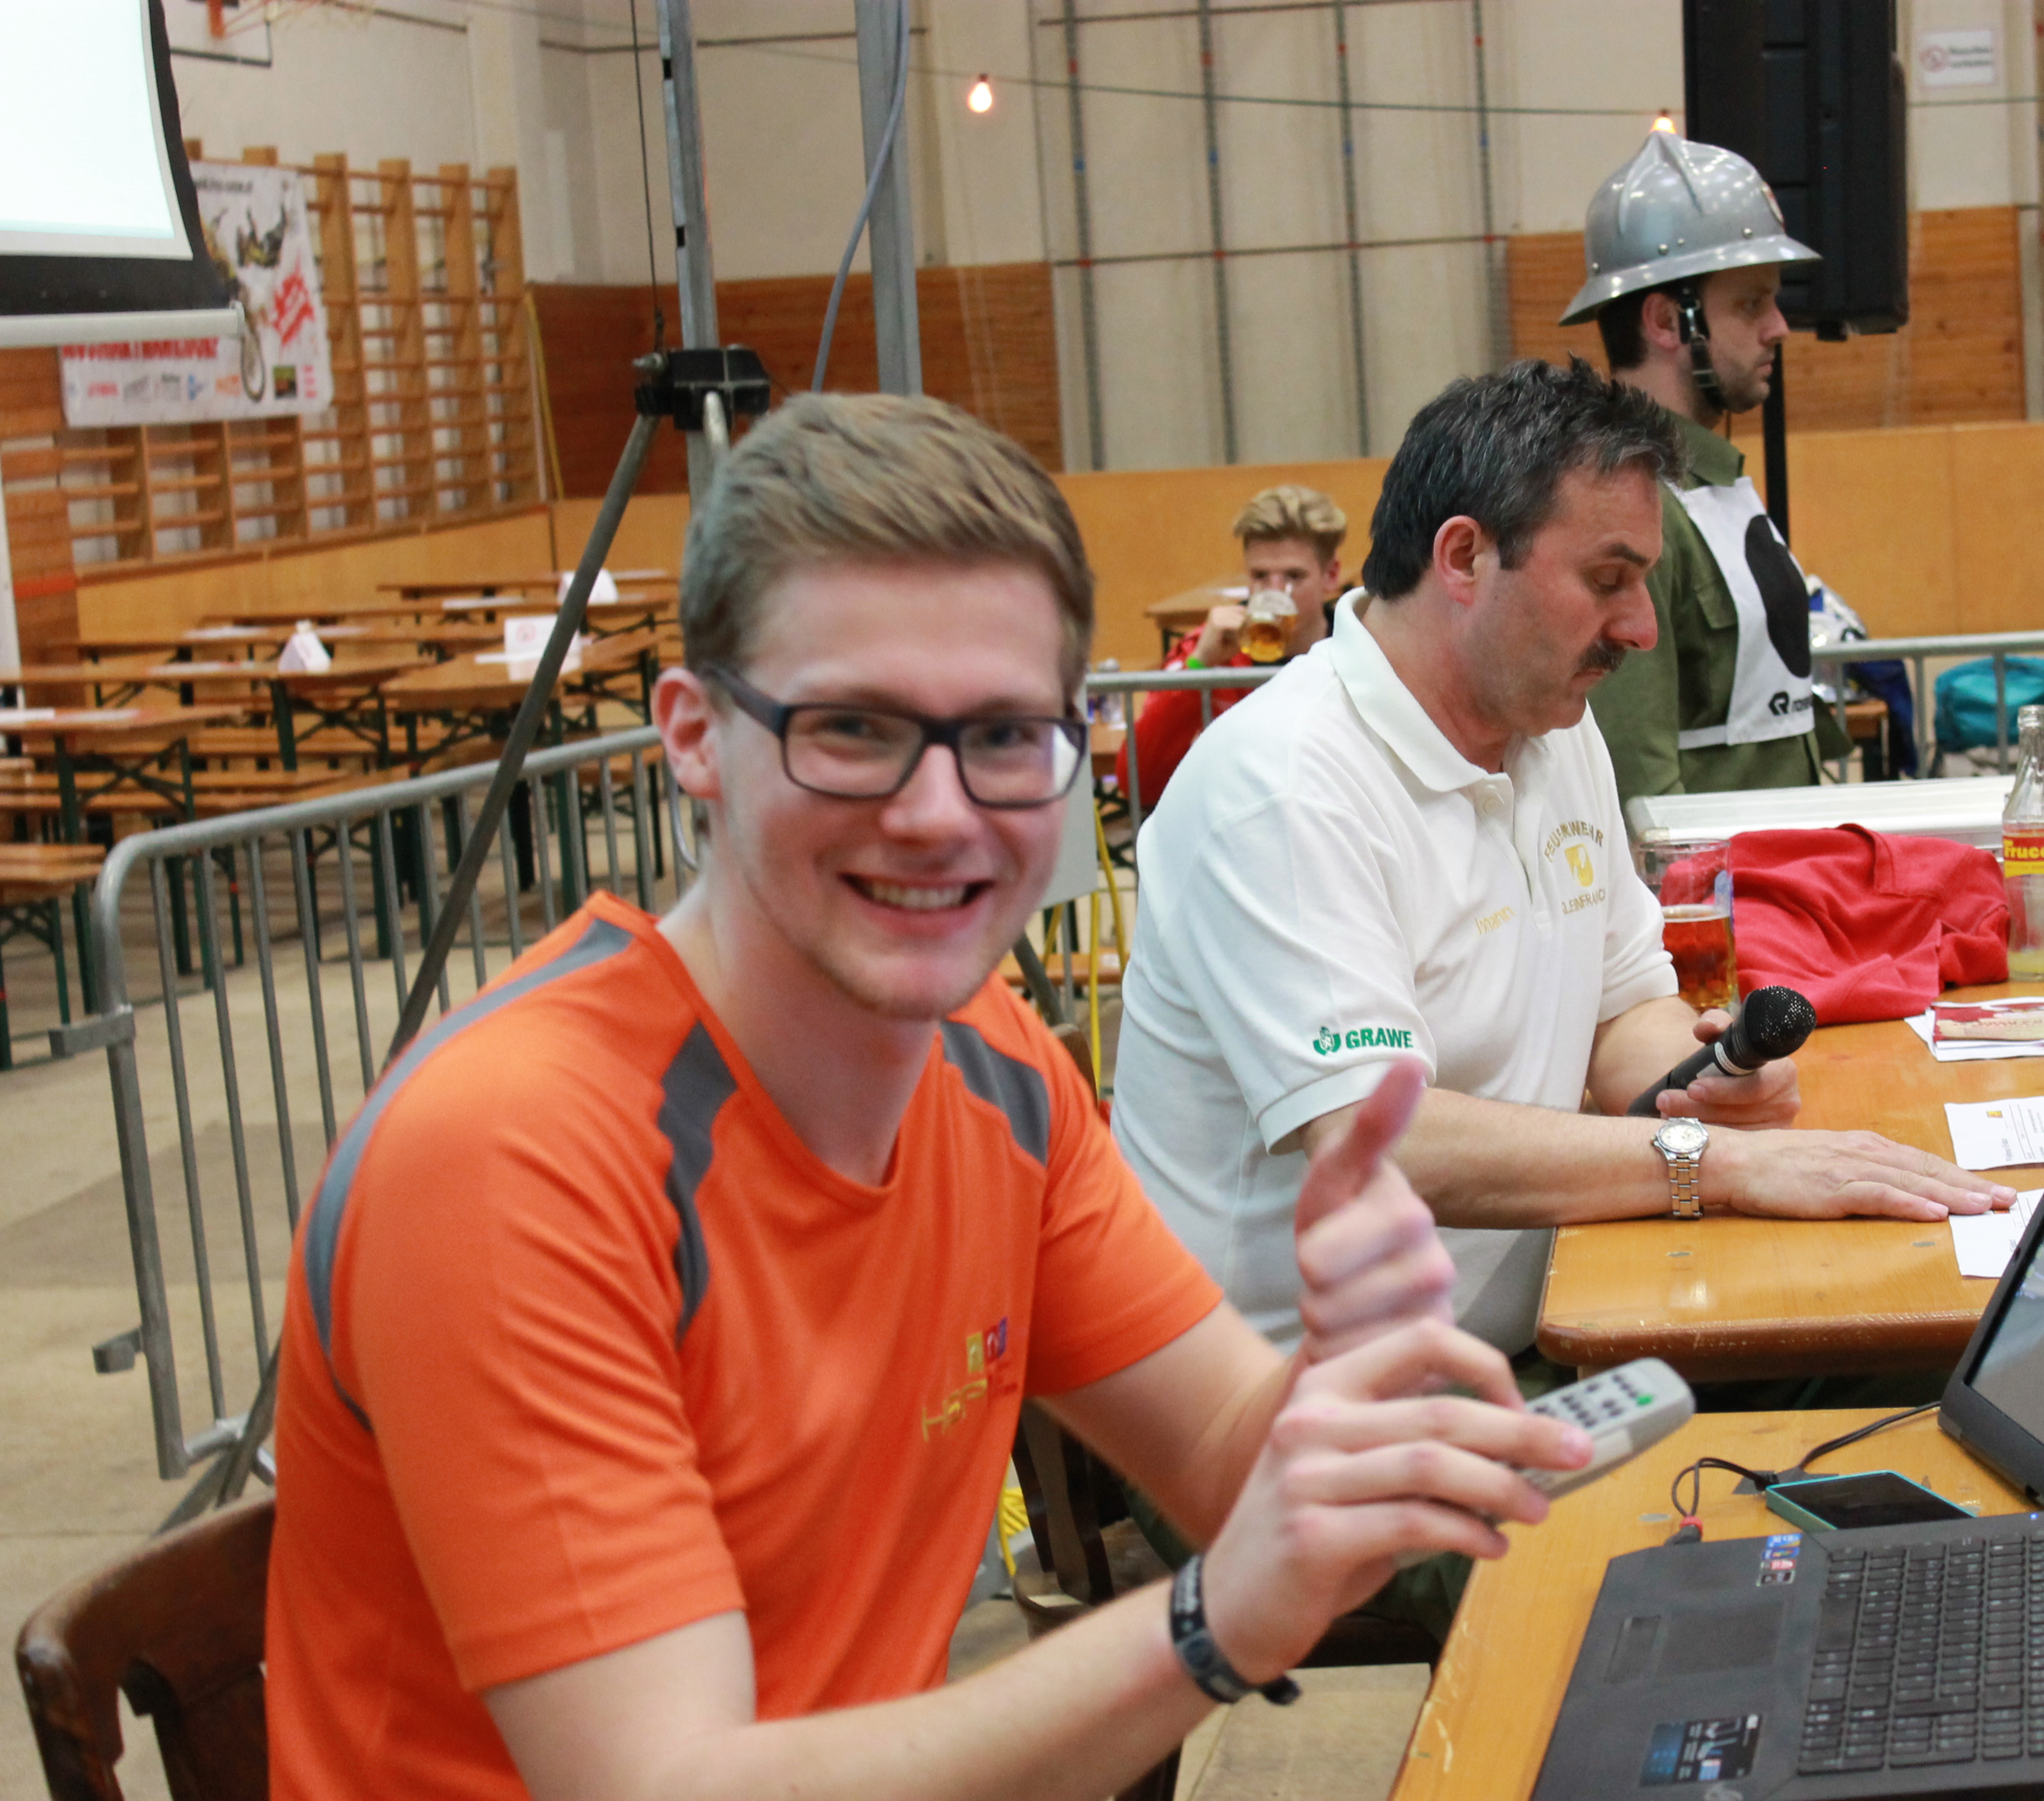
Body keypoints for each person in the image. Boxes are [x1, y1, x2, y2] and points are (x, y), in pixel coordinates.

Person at [265, 393, 1594, 1801]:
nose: (940, 812)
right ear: (694, 736)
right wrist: (1208, 1623)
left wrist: (1350, 1407)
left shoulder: (990, 1064)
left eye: (1006, 735)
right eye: (852, 729)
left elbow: (1224, 1452)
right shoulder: (511, 1156)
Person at [1113, 358, 2012, 1374]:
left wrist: (1704, 1086)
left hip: (1543, 1329)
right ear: (1464, 557)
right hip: (1305, 1410)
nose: (1643, 628)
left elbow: (1622, 1011)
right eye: (1607, 580)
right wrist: (1711, 1162)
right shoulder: (1282, 786)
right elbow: (1383, 1140)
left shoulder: (1552, 726)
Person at [1559, 131, 1851, 804]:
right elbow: (1637, 787)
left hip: (1777, 855)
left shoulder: (1708, 483)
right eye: (1750, 304)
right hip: (1720, 870)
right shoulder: (1625, 505)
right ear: (1668, 320)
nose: (1779, 327)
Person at [1127, 484, 1348, 808]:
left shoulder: (1357, 649)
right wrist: (1200, 665)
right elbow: (1137, 781)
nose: (1275, 592)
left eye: (1294, 576)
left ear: (1330, 575)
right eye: (1260, 576)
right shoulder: (1215, 650)